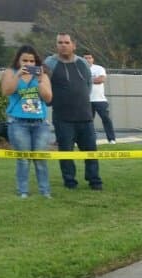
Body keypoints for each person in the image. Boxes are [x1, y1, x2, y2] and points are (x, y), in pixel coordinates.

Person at [45, 33, 102, 190]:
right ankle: (70, 181)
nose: (63, 45)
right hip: (63, 118)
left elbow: (88, 85)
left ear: (73, 45)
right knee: (66, 153)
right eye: (60, 42)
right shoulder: (50, 63)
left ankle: (94, 181)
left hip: (85, 116)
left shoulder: (83, 63)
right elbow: (43, 84)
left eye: (67, 42)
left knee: (91, 151)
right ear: (56, 45)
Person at [0, 45, 52, 198]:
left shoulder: (42, 75)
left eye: (31, 60)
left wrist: (40, 79)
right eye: (25, 60)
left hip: (40, 123)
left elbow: (48, 98)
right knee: (23, 159)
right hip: (18, 122)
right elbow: (6, 91)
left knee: (40, 158)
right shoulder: (10, 72)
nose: (28, 64)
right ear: (18, 60)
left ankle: (45, 191)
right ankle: (23, 191)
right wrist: (18, 76)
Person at [83, 52, 116, 143]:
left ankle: (111, 139)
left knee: (106, 119)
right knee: (88, 121)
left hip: (100, 100)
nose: (87, 60)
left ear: (93, 59)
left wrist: (87, 80)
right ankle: (90, 139)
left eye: (89, 58)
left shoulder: (99, 68)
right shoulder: (80, 69)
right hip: (86, 101)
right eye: (85, 58)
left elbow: (101, 80)